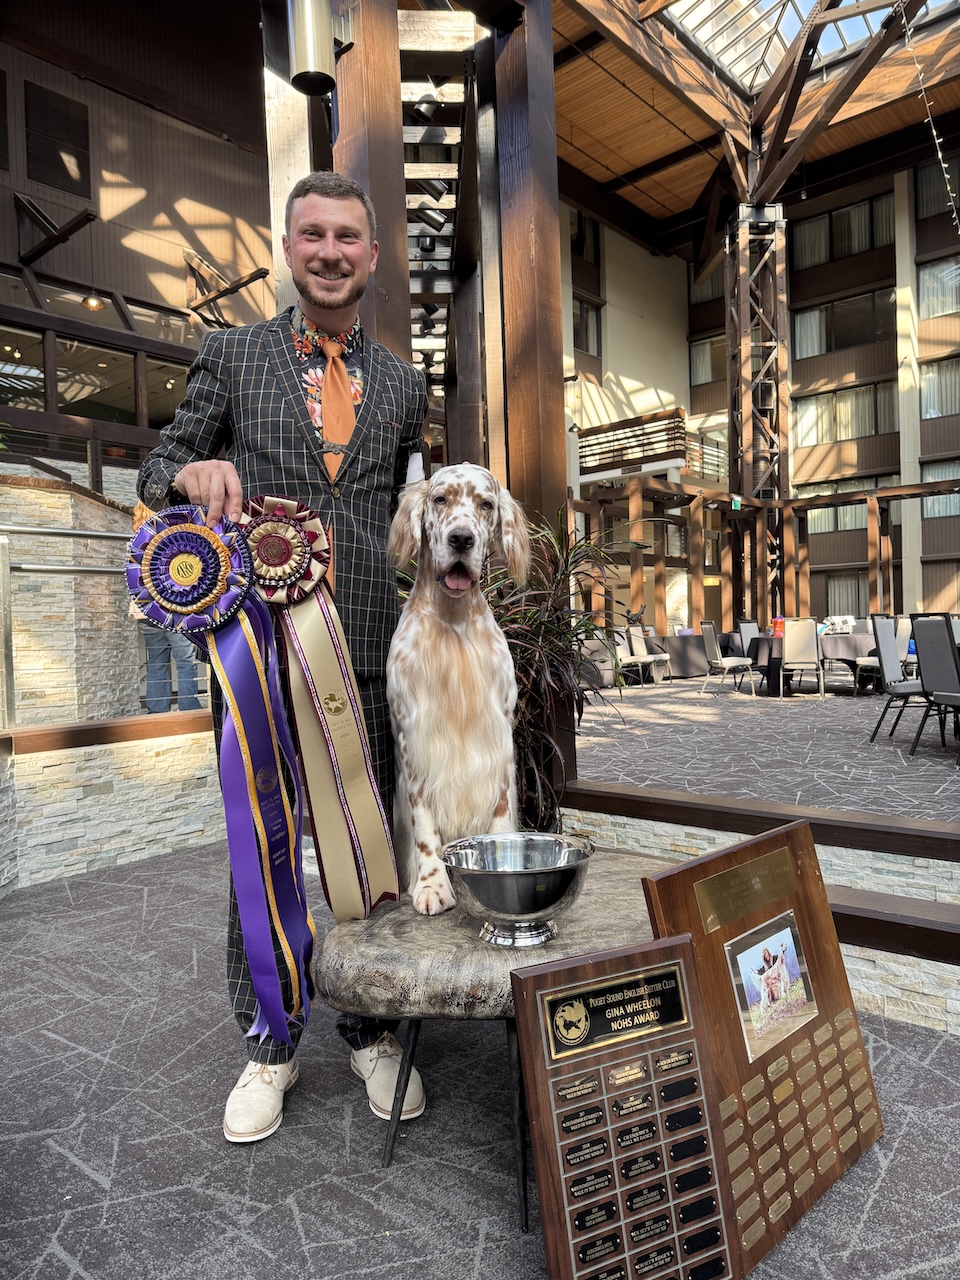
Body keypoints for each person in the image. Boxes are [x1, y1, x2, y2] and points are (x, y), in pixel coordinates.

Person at [138, 171, 428, 1143]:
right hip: (260, 652)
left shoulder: (404, 385)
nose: (331, 252)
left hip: (372, 652)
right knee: (261, 849)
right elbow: (155, 465)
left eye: (348, 236)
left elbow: (406, 514)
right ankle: (270, 1042)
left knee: (370, 848)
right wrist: (190, 471)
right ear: (289, 248)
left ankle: (371, 1028)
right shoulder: (233, 355)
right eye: (314, 235)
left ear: (372, 254)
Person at [130, 501, 203, 713]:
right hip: (172, 609)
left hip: (144, 609)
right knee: (185, 659)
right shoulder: (170, 536)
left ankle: (157, 710)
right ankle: (189, 707)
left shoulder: (136, 538)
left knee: (156, 661)